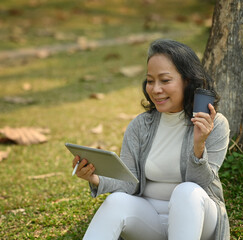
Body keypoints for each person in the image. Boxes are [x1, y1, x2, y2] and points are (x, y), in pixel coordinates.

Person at [72, 39, 230, 240]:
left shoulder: (215, 125)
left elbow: (202, 185)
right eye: (150, 80)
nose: (155, 89)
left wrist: (199, 144)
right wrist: (93, 178)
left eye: (165, 80)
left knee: (186, 191)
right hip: (150, 220)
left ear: (187, 81)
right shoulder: (140, 125)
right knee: (117, 201)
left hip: (200, 218)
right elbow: (130, 183)